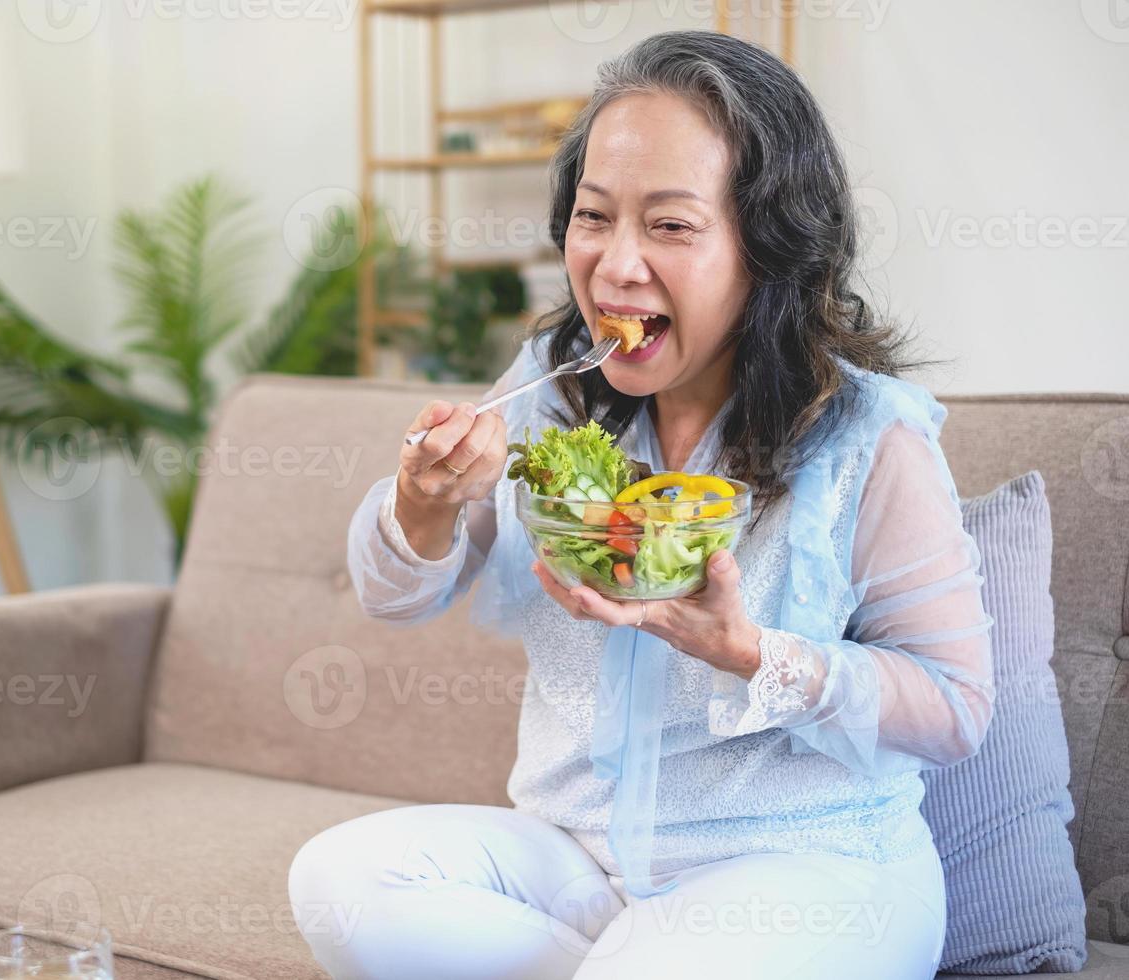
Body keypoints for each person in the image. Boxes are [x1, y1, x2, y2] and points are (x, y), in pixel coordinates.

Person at [288, 29, 994, 980]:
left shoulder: (867, 436)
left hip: (807, 866)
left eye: (670, 225)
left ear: (769, 247)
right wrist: (425, 503)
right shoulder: (552, 389)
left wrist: (750, 655)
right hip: (580, 862)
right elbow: (396, 596)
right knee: (337, 879)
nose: (616, 266)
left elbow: (954, 710)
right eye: (593, 217)